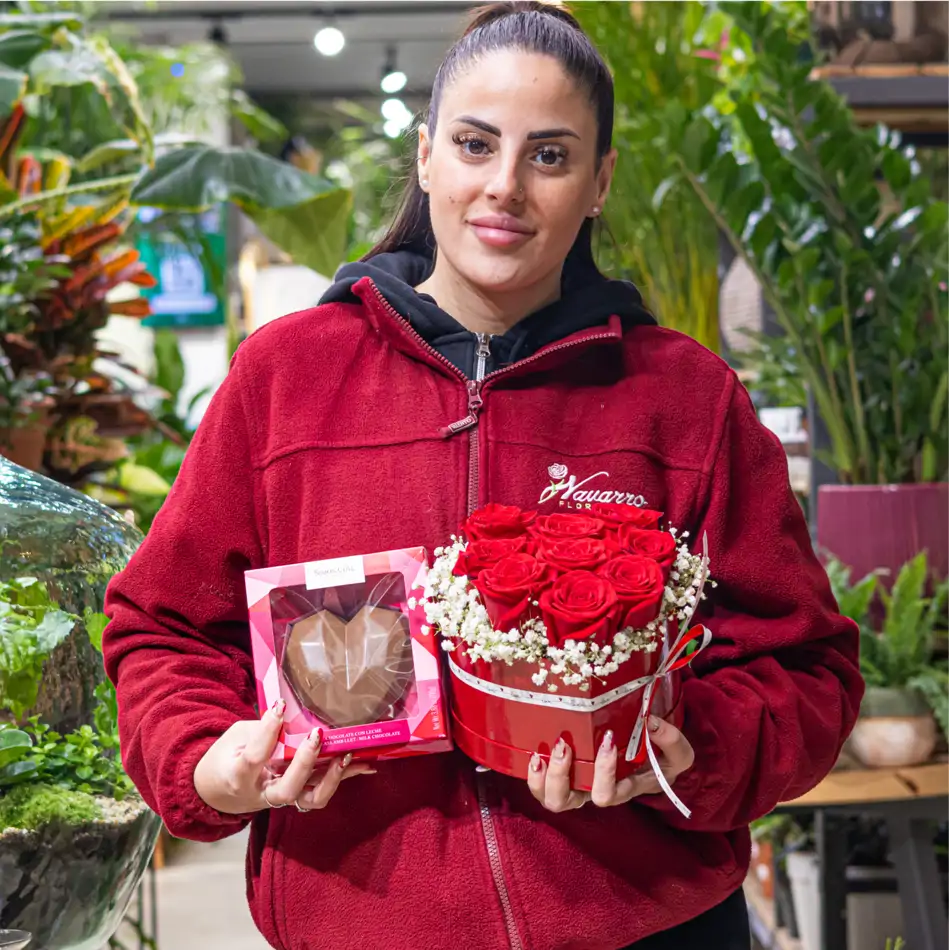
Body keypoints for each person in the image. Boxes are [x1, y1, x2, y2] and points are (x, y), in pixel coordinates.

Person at [103, 4, 864, 949]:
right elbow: (161, 625)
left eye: (550, 155)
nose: (503, 186)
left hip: (647, 926)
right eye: (474, 144)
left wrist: (679, 746)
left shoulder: (682, 396)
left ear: (599, 183)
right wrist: (208, 763)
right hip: (365, 923)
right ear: (426, 158)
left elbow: (808, 666)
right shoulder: (284, 378)